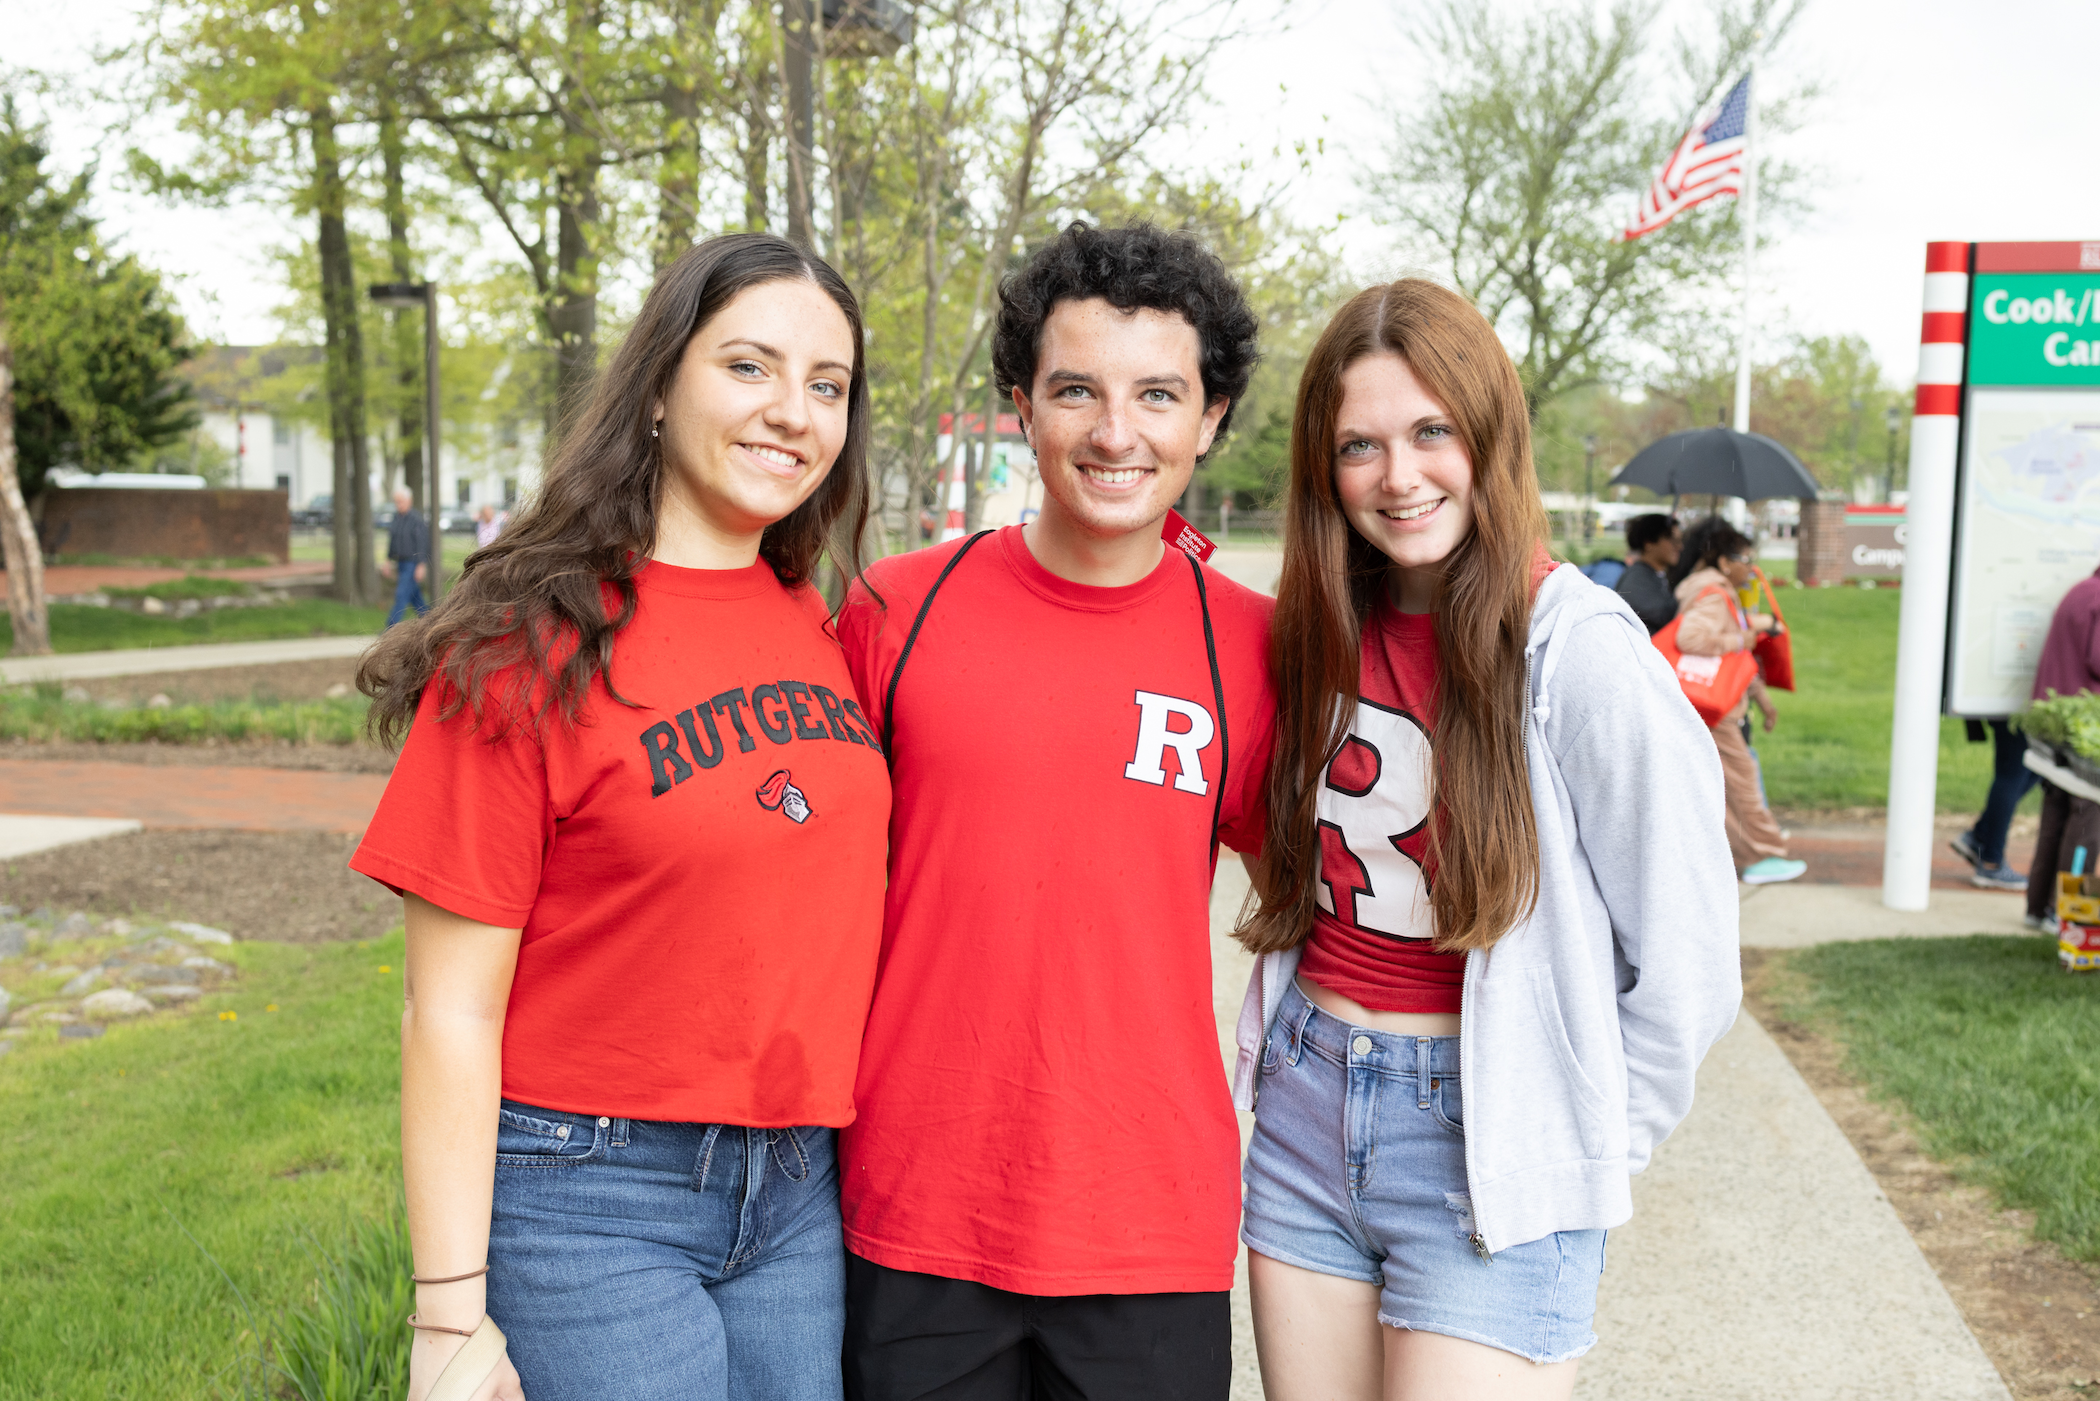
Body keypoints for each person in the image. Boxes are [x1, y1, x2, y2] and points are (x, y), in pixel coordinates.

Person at [350, 233, 890, 1401]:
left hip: (798, 1192)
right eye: (749, 367)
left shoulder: (817, 620)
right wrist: (447, 1318)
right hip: (589, 1194)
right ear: (657, 388)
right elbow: (443, 1009)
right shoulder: (524, 643)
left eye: (827, 385)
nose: (792, 412)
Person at [1231, 279, 1740, 1400]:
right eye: (1359, 445)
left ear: (1489, 435)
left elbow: (1691, 966)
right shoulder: (1317, 628)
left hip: (1487, 1140)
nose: (1399, 476)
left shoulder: (1580, 654)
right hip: (1308, 1109)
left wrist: (1578, 1141)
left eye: (1431, 432)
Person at [834, 222, 1273, 1400]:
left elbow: (1341, 906)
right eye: (1077, 389)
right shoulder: (895, 610)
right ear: (1021, 403)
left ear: (1211, 417)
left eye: (1159, 396)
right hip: (915, 1211)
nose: (1117, 433)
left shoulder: (1257, 648)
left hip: (1147, 1225)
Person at [1674, 523, 1804, 885]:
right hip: (1718, 710)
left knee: (1731, 782)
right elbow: (1692, 638)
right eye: (1746, 558)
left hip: (1714, 707)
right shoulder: (1714, 594)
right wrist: (1748, 635)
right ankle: (1761, 855)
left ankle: (1753, 849)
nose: (1751, 567)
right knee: (1741, 782)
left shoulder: (1708, 589)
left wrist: (1761, 698)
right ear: (1723, 561)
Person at [2023, 562, 2100, 930]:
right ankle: (2069, 914)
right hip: (2083, 727)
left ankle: (2038, 907)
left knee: (2055, 816)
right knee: (2088, 821)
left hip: (2054, 724)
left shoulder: (2082, 590)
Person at [1950, 719, 2036, 890]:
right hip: (2015, 705)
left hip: (2014, 704)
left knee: (2032, 770)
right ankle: (1991, 863)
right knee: (2013, 773)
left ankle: (1980, 837)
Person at [1613, 512, 1681, 633]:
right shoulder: (1636, 580)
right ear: (1649, 543)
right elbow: (1665, 616)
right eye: (1672, 540)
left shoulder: (1655, 575)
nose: (1679, 546)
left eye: (1679, 540)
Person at [383, 485, 431, 626]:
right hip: (400, 562)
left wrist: (421, 565)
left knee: (401, 595)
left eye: (401, 501)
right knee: (416, 598)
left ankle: (390, 628)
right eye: (396, 502)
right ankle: (429, 624)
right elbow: (392, 541)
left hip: (412, 563)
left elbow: (422, 543)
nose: (399, 505)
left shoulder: (416, 519)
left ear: (409, 500)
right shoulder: (396, 518)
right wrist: (387, 560)